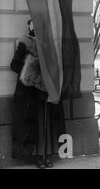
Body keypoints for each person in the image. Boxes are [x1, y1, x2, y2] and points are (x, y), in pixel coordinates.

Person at [10, 20, 65, 168]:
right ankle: (36, 157)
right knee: (31, 125)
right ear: (29, 26)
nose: (36, 27)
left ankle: (46, 155)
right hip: (28, 92)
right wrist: (31, 70)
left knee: (45, 123)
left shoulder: (48, 45)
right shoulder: (25, 43)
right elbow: (14, 65)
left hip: (44, 91)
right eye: (33, 24)